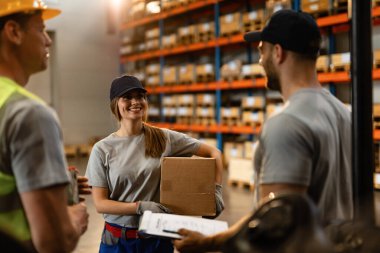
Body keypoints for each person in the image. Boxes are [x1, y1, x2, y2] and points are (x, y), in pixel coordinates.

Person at [174, 9, 352, 252]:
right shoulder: (345, 114)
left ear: (277, 53)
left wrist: (206, 242)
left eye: (261, 51)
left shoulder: (287, 122)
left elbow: (276, 223)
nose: (259, 61)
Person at [85, 75, 225, 253]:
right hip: (117, 241)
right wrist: (139, 207)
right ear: (116, 104)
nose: (135, 102)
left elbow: (214, 153)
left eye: (140, 96)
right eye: (127, 97)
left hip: (156, 239)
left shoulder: (163, 137)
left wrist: (217, 191)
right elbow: (100, 203)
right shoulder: (102, 149)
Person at [0, 1, 89, 252]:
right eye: (41, 29)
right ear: (14, 32)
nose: (48, 41)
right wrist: (74, 215)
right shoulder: (28, 114)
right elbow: (54, 241)